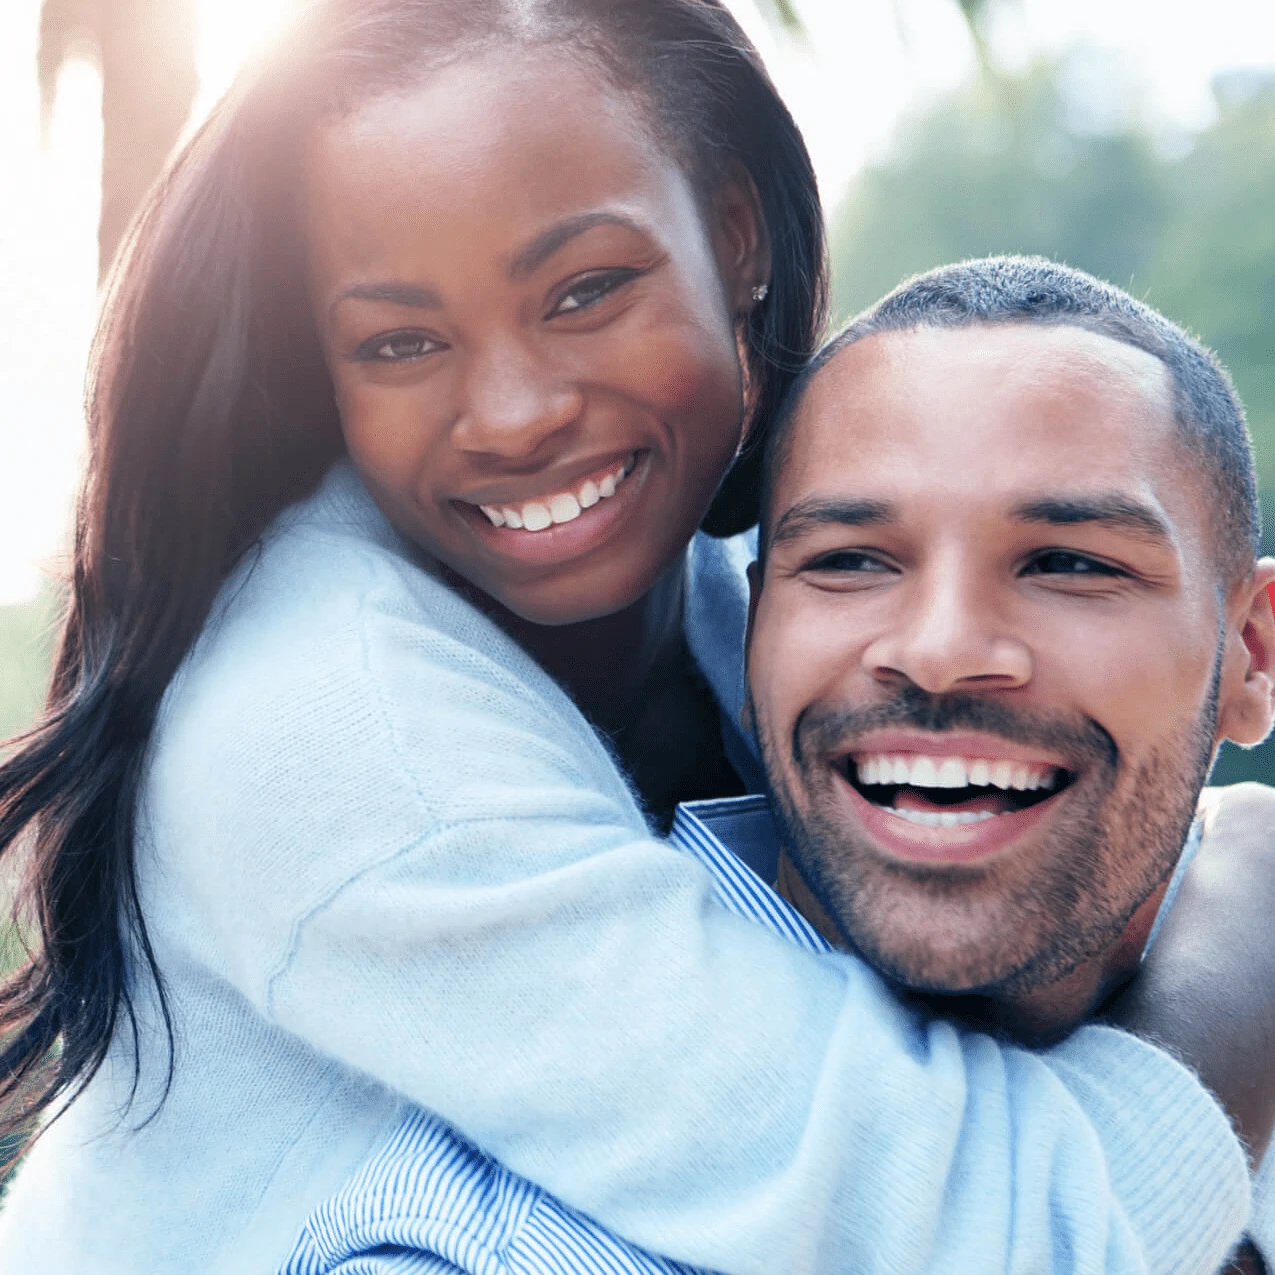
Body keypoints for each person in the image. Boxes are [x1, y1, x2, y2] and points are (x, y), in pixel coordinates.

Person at [0, 0, 1265, 1266]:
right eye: (399, 340)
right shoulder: (331, 721)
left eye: (586, 289)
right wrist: (1243, 946)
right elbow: (990, 1234)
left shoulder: (728, 579)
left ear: (736, 233)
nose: (510, 415)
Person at [268, 257, 1275, 1275]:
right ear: (754, 632)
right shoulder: (484, 1250)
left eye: (1070, 565)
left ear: (1252, 656)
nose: (937, 649)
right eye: (849, 561)